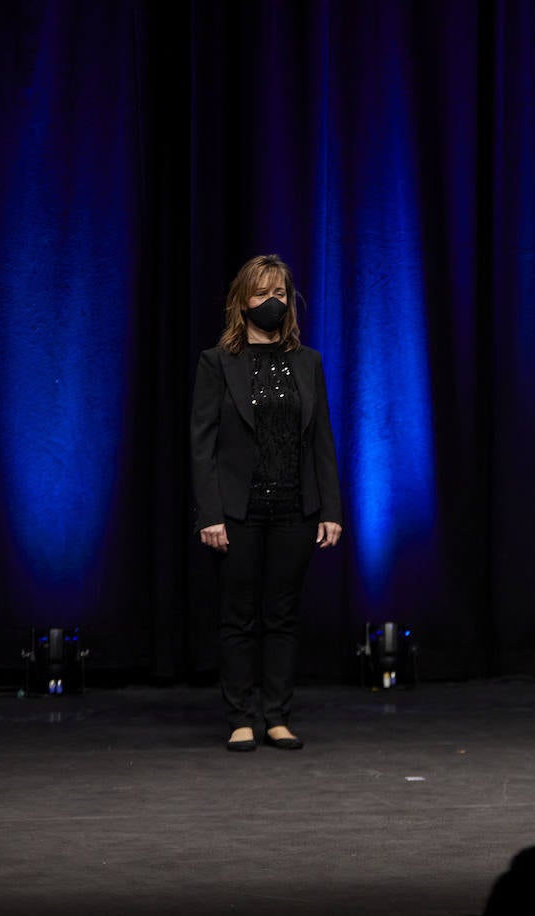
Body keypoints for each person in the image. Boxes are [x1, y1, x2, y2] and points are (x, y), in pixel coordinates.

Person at [190, 254, 343, 752]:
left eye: (279, 292)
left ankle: (276, 716)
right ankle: (240, 717)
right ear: (241, 302)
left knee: (282, 616)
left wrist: (331, 509)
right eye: (261, 293)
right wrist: (209, 513)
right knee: (238, 617)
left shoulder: (309, 362)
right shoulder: (217, 363)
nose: (271, 302)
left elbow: (321, 439)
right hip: (238, 513)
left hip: (295, 511)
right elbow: (202, 445)